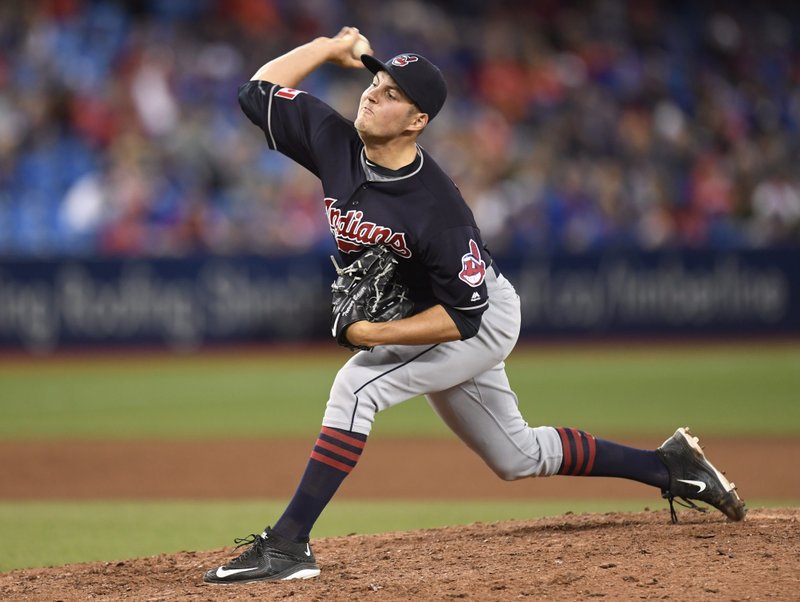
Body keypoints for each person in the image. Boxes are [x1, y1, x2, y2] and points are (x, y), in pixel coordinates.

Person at [204, 27, 746, 585]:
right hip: (440, 318)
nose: (372, 94)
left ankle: (289, 544)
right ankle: (668, 466)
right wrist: (327, 47)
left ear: (417, 122)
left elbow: (463, 317)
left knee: (355, 387)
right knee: (517, 456)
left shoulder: (438, 209)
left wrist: (371, 336)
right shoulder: (331, 139)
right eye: (377, 82)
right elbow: (256, 92)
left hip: (475, 319)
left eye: (392, 94)